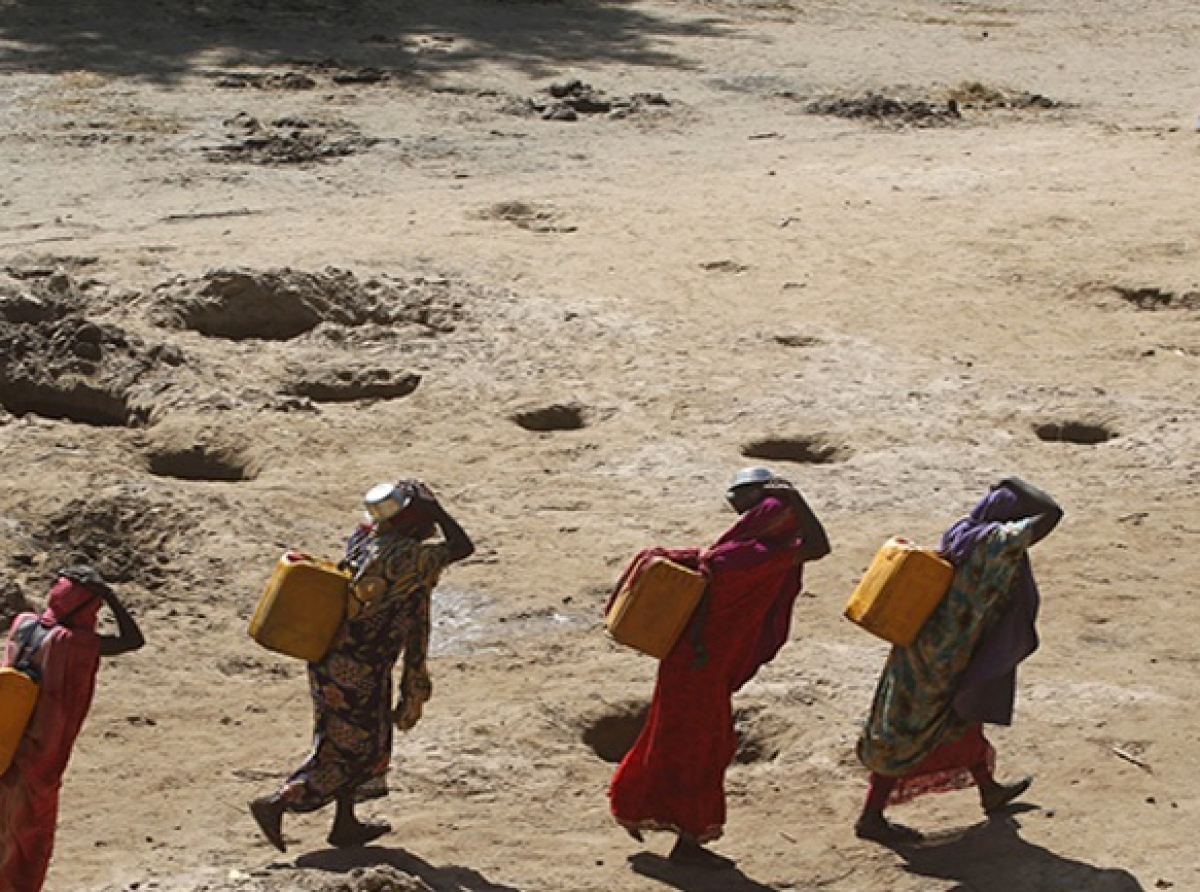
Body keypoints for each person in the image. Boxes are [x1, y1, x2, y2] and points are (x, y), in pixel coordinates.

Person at [608, 467, 830, 869]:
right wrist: (797, 500)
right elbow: (819, 546)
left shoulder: (727, 551)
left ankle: (640, 806)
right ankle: (687, 843)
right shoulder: (757, 557)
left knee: (675, 742)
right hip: (702, 670)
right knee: (703, 752)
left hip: (688, 664)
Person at [250, 479, 474, 853]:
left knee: (355, 741)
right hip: (357, 668)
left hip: (339, 659)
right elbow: (462, 547)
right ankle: (279, 802)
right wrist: (436, 509)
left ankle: (345, 825)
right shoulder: (403, 556)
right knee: (352, 749)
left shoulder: (368, 536)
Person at [854, 477, 1063, 844]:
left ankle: (988, 790)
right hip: (952, 652)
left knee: (955, 719)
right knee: (911, 728)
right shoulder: (997, 543)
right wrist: (1014, 482)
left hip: (920, 641)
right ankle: (871, 817)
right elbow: (1053, 513)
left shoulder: (963, 530)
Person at [0, 565, 145, 892]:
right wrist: (110, 596)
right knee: (27, 840)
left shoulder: (23, 624)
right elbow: (133, 640)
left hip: (6, 744)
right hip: (39, 759)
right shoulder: (71, 643)